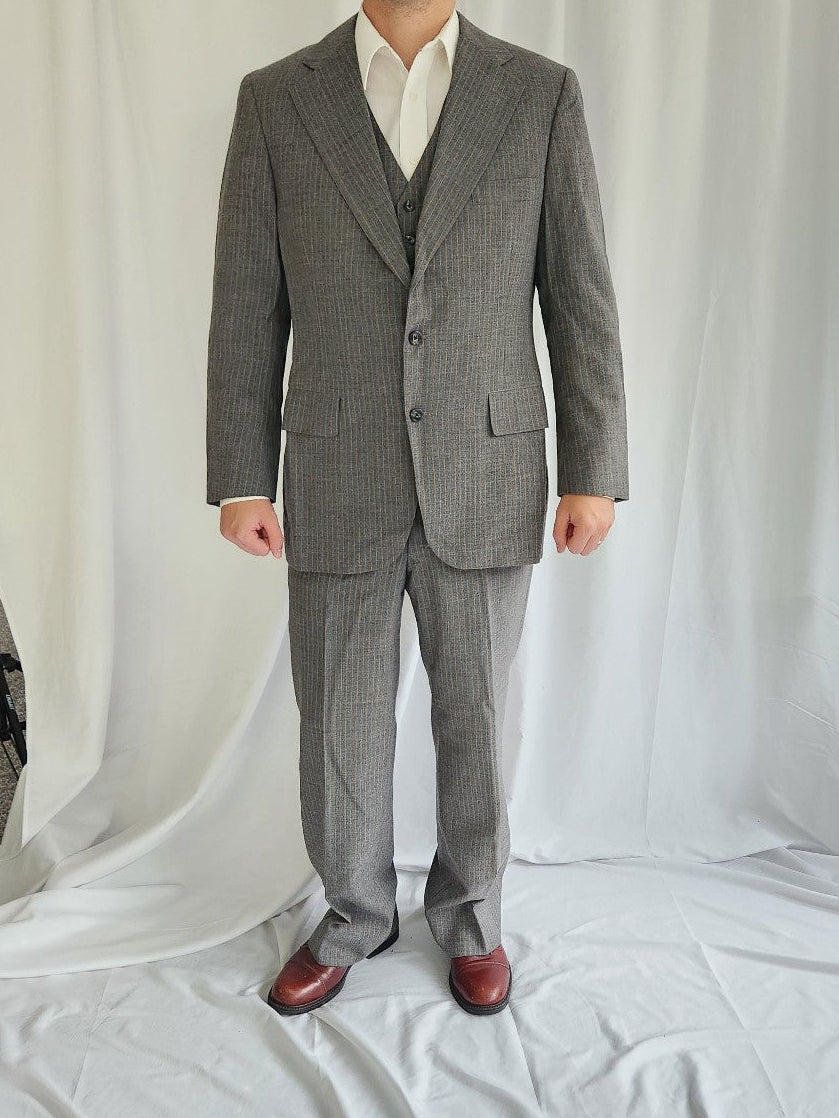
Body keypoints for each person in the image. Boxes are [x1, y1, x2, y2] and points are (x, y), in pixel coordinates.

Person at [206, 0, 628, 1016]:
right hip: (335, 464)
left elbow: (577, 293)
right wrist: (240, 474)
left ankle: (473, 917)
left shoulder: (537, 96)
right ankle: (353, 913)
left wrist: (593, 465)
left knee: (477, 714)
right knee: (337, 721)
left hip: (484, 466)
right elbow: (246, 302)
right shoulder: (277, 100)